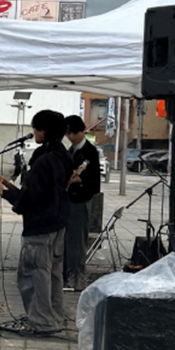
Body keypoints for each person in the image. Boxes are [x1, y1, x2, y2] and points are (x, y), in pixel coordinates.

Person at [0, 110, 72, 337]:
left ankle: (41, 322)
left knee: (34, 274)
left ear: (45, 130)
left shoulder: (45, 160)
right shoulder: (62, 155)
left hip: (41, 224)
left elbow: (32, 198)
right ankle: (55, 316)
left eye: (37, 128)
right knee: (52, 274)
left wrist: (4, 193)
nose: (34, 132)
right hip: (58, 221)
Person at [63, 116, 101, 291]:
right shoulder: (70, 150)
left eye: (72, 133)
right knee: (66, 240)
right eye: (67, 133)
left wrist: (80, 180)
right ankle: (67, 274)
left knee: (77, 241)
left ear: (80, 132)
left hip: (81, 199)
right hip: (68, 199)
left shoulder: (90, 151)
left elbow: (94, 182)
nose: (70, 137)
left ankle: (77, 277)